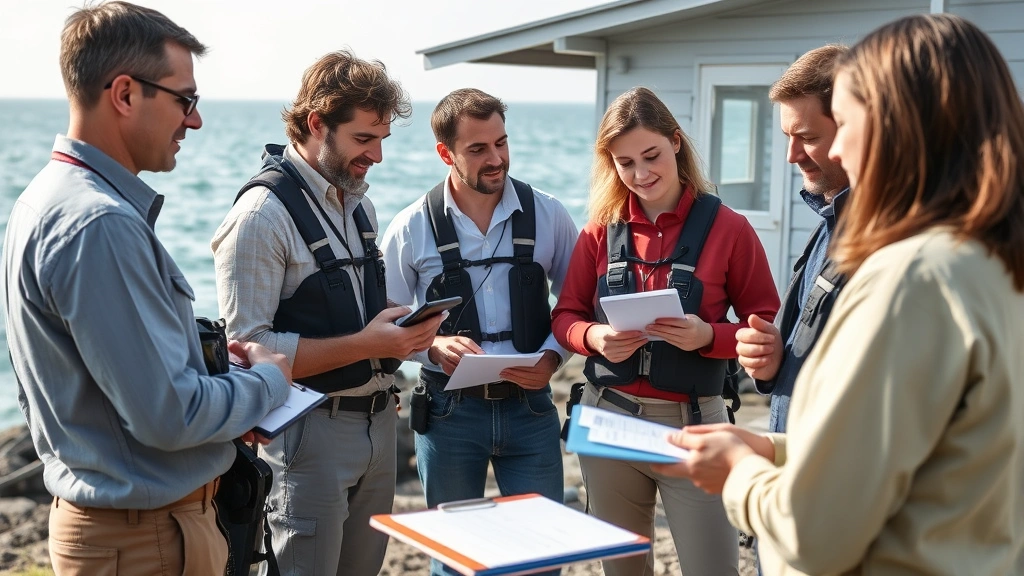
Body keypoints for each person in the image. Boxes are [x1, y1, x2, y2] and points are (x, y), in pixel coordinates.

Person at [656, 13, 1024, 576]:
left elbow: (813, 534)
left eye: (843, 124)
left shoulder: (913, 279)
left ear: (897, 128)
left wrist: (739, 472)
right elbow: (932, 459)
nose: (840, 152)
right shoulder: (991, 261)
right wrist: (776, 451)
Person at [2, 2, 293, 574]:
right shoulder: (100, 223)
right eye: (186, 100)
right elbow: (169, 417)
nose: (195, 120)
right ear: (126, 94)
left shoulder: (47, 196)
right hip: (149, 541)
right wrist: (268, 382)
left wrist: (211, 376)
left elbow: (100, 389)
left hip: (125, 531)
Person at [211, 51, 440, 576]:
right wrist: (369, 345)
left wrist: (403, 328)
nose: (377, 155)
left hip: (382, 427)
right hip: (308, 440)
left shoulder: (358, 203)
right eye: (364, 139)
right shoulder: (259, 217)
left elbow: (350, 309)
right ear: (317, 124)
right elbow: (247, 349)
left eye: (382, 138)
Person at [550, 86, 780, 576]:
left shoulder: (731, 229)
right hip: (607, 423)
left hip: (695, 425)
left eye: (650, 155)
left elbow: (763, 327)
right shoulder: (598, 232)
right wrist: (594, 339)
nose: (640, 174)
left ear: (676, 142)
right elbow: (565, 316)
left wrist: (710, 337)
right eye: (624, 163)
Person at [381, 88, 578, 576]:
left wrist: (551, 361)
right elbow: (384, 321)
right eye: (478, 149)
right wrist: (431, 345)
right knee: (455, 562)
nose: (497, 159)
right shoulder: (410, 228)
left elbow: (579, 306)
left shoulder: (549, 215)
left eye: (502, 143)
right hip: (448, 416)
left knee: (541, 559)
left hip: (531, 410)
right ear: (445, 153)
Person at [736, 45, 850, 434]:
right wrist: (770, 363)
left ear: (856, 128)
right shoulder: (827, 225)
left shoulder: (887, 239)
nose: (791, 155)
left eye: (806, 136)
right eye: (787, 135)